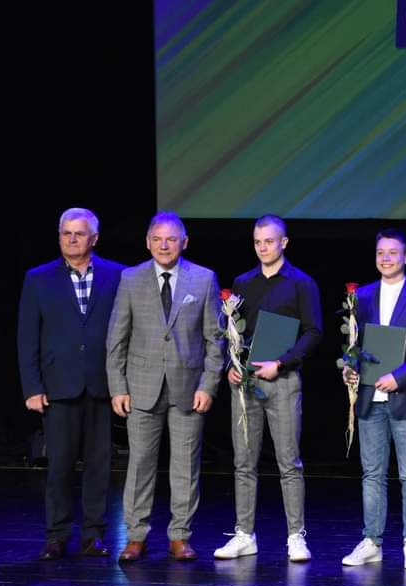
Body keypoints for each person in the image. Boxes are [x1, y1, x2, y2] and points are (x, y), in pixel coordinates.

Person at [106, 211, 223, 562]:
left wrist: (208, 385)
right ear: (147, 242)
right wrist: (117, 387)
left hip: (188, 387)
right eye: (157, 239)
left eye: (171, 239)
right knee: (140, 464)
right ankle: (135, 536)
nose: (164, 245)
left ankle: (180, 536)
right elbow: (117, 339)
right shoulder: (131, 278)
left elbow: (215, 340)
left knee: (185, 466)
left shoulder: (203, 279)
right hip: (142, 387)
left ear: (184, 242)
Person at [212, 215, 322, 563]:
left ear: (283, 243)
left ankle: (296, 536)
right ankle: (244, 534)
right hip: (246, 382)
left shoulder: (302, 283)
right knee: (243, 462)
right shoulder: (243, 282)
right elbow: (232, 331)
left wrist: (282, 363)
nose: (263, 247)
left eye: (269, 241)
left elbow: (313, 332)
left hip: (283, 381)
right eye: (257, 242)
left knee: (289, 462)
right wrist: (231, 365)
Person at [17, 208, 124, 560]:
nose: (72, 239)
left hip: (101, 385)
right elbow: (27, 337)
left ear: (94, 238)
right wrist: (32, 387)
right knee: (59, 467)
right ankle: (57, 535)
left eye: (79, 233)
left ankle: (93, 535)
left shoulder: (117, 275)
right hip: (58, 386)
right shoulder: (38, 278)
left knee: (98, 466)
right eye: (66, 233)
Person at [342, 229, 406, 570]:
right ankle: (372, 541)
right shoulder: (362, 297)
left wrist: (399, 376)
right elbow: (357, 346)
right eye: (380, 252)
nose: (386, 258)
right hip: (370, 397)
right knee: (372, 473)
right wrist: (351, 368)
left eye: (393, 253)